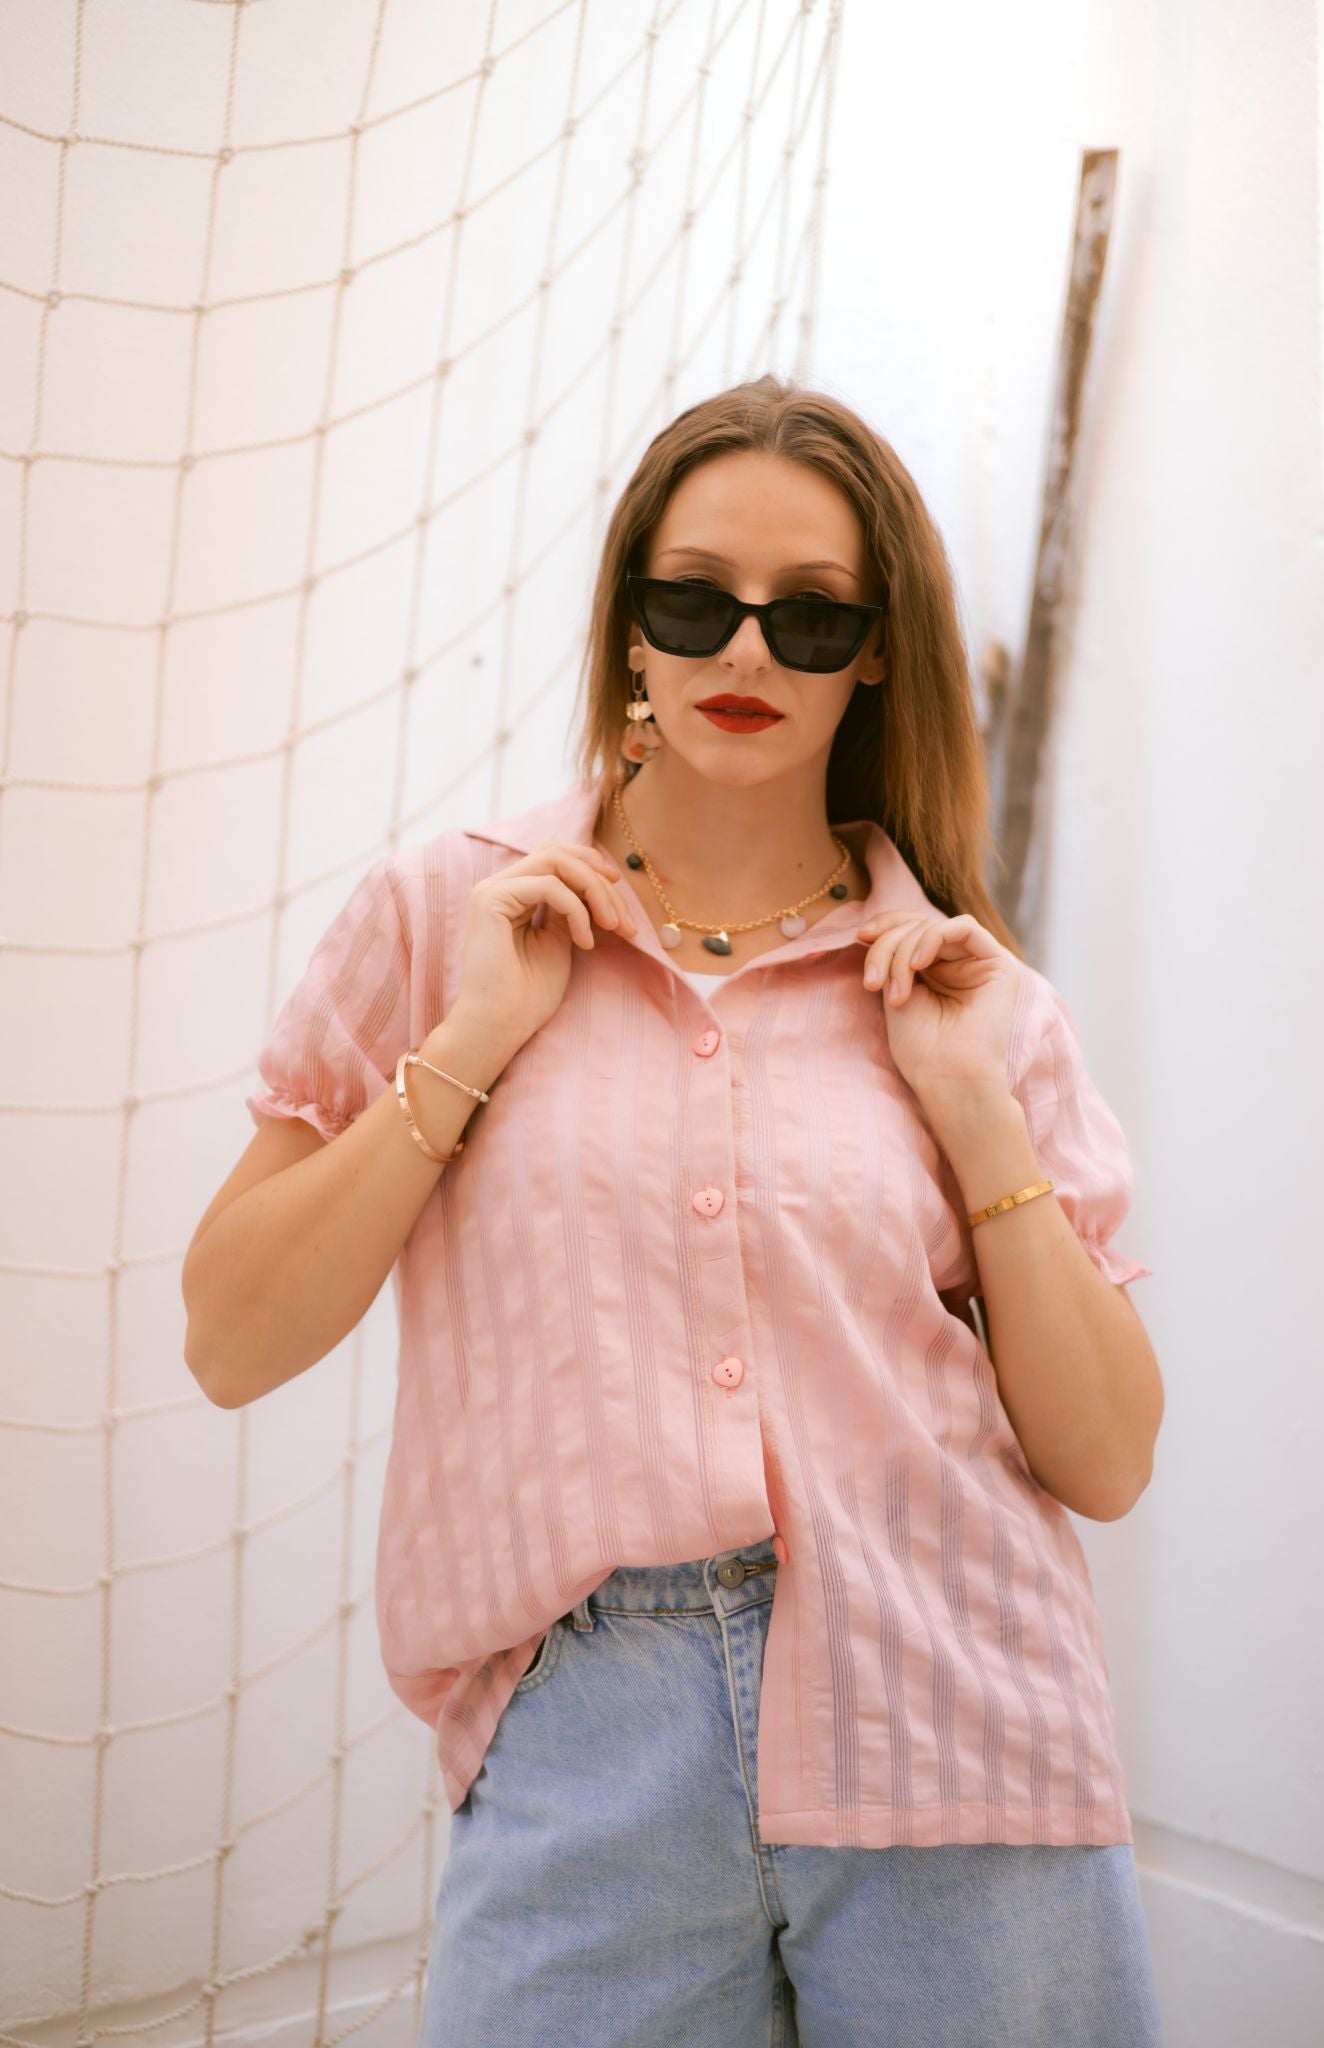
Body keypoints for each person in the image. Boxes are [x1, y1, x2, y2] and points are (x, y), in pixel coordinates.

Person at [182, 375, 1166, 2045]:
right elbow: (231, 1335)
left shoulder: (968, 992)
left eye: (810, 617)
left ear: (875, 652)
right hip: (586, 1748)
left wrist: (972, 1103)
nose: (744, 652)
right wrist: (476, 1039)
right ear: (629, 625)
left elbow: (1107, 1458)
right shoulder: (444, 919)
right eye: (694, 599)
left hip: (953, 1716)